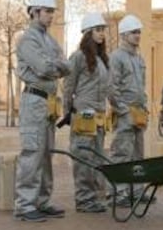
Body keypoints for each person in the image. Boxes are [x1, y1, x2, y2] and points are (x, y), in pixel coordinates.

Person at [14, 0, 71, 222]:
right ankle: (25, 204)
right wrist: (56, 65)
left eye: (52, 12)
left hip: (48, 103)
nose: (51, 16)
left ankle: (41, 201)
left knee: (46, 154)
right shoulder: (27, 38)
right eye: (47, 11)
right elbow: (44, 68)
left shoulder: (49, 39)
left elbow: (66, 65)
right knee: (32, 153)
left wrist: (55, 64)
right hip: (34, 100)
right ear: (34, 11)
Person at [62, 12, 109, 213]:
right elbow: (68, 86)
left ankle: (95, 197)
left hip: (98, 116)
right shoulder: (78, 57)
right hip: (83, 114)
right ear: (88, 33)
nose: (102, 34)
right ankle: (83, 199)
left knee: (97, 157)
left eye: (103, 30)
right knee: (83, 158)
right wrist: (67, 112)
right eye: (98, 30)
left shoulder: (101, 59)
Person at [107, 14, 153, 206]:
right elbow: (112, 87)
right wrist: (123, 110)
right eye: (134, 32)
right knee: (121, 154)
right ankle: (119, 193)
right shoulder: (116, 57)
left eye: (139, 32)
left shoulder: (138, 58)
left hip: (138, 113)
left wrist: (144, 107)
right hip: (125, 113)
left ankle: (137, 191)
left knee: (137, 154)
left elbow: (141, 86)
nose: (138, 35)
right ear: (124, 35)